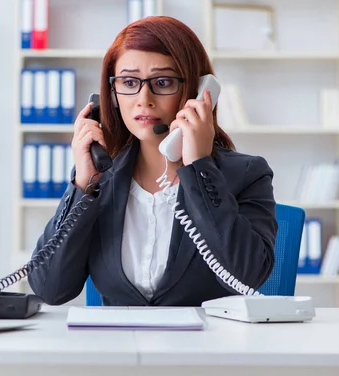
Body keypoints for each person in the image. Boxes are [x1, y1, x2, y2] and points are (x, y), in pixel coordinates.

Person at [27, 16, 278, 307]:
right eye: (129, 82)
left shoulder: (247, 174)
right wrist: (83, 186)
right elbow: (50, 288)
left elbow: (247, 278)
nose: (144, 98)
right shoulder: (100, 179)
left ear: (198, 92)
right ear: (112, 94)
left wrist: (198, 168)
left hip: (209, 349)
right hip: (119, 349)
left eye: (162, 82)